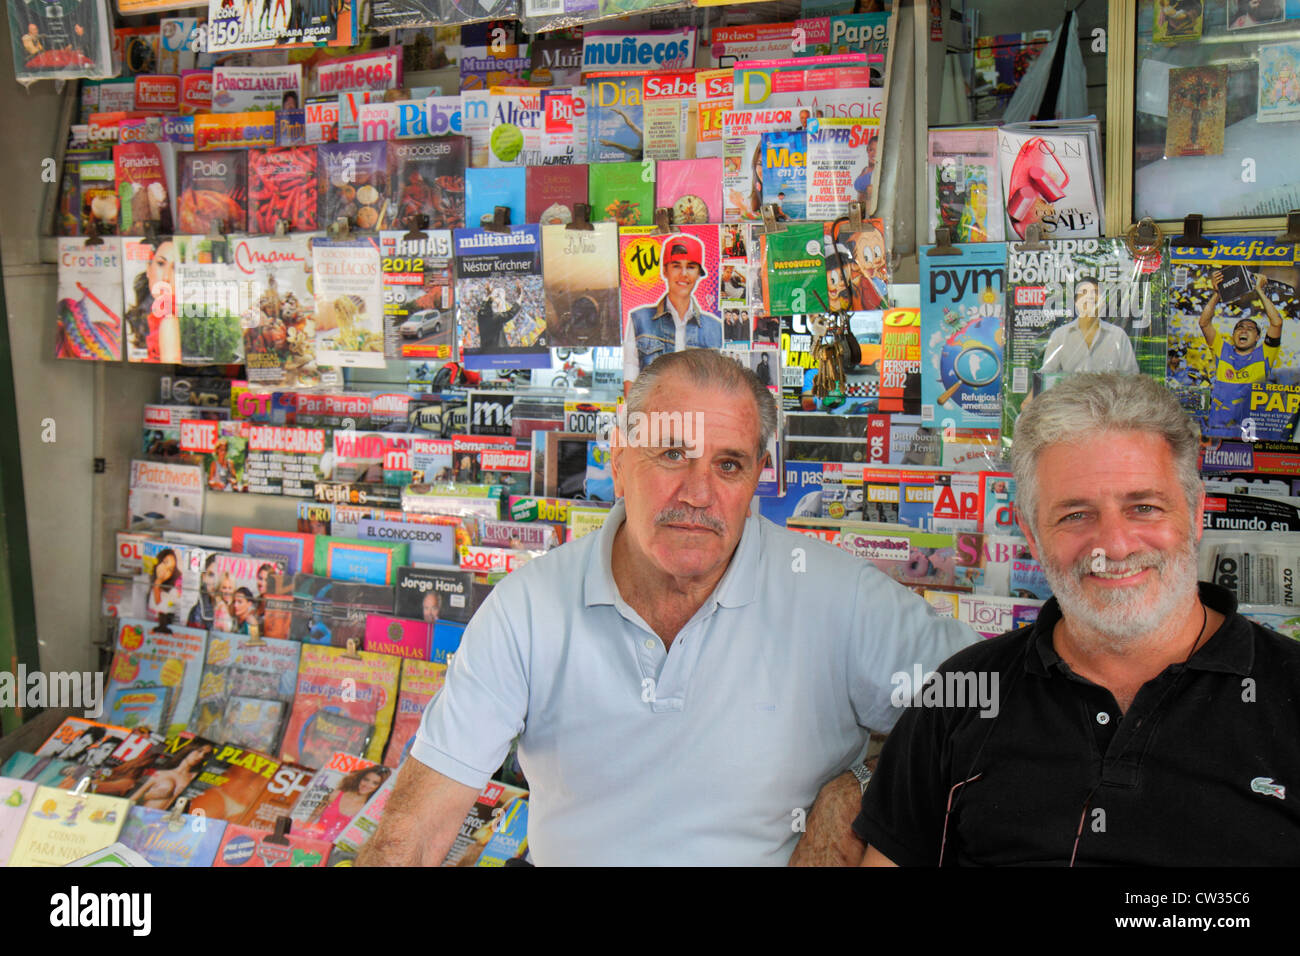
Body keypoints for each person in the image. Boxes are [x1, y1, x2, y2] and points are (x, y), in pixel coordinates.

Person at [357, 349, 975, 867]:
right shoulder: (528, 608)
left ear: (759, 477)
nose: (698, 494)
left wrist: (865, 785)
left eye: (728, 465)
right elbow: (412, 832)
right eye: (673, 455)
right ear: (619, 460)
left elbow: (991, 703)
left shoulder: (838, 597)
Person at [856, 372, 1300, 866]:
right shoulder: (959, 695)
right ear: (1031, 532)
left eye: (1145, 507)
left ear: (1195, 515)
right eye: (1075, 515)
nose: (1113, 545)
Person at [623, 233, 723, 381]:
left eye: (690, 267)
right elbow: (629, 371)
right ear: (665, 271)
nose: (683, 274)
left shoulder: (715, 327)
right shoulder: (640, 319)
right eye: (676, 266)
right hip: (654, 404)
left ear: (698, 274)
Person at [1200, 270, 1285, 437]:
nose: (1243, 330)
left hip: (1249, 433)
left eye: (1249, 328)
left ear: (1258, 337)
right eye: (1239, 327)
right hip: (1219, 431)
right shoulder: (1222, 350)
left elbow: (1277, 322)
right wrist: (1218, 293)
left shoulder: (1265, 354)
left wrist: (1260, 290)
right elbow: (1204, 323)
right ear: (1233, 335)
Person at [1038, 276, 1140, 379]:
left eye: (1095, 292)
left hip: (1108, 395)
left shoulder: (1118, 336)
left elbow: (1132, 378)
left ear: (1103, 302)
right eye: (1084, 292)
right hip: (1071, 394)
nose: (1090, 297)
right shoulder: (1059, 336)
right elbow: (1046, 377)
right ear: (1075, 302)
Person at [314, 766, 391, 839]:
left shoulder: (369, 810)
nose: (367, 785)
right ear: (360, 779)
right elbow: (311, 818)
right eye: (366, 779)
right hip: (312, 841)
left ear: (380, 787)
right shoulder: (336, 794)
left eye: (375, 783)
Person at [146, 548, 183, 622]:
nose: (165, 570)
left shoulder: (172, 592)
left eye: (170, 569)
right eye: (165, 562)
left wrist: (157, 583)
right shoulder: (146, 581)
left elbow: (158, 604)